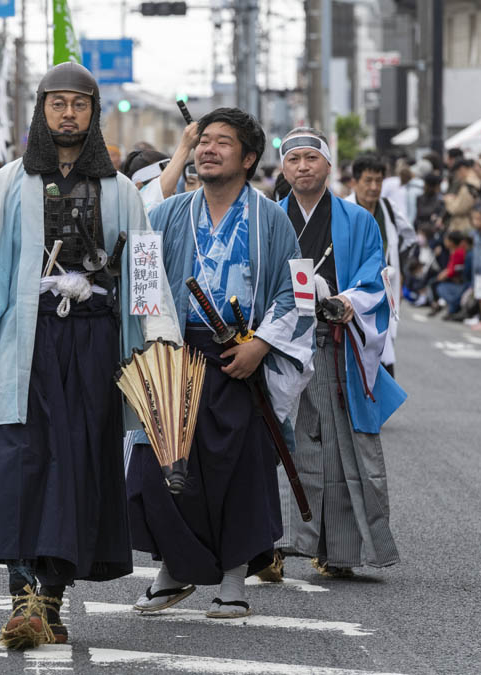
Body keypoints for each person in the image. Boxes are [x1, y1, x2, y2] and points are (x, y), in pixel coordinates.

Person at [0, 62, 181, 648]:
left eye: (78, 104)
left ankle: (52, 599)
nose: (67, 113)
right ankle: (21, 597)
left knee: (83, 465)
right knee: (24, 461)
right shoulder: (8, 181)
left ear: (93, 113)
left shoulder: (120, 190)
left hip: (95, 344)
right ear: (41, 110)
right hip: (26, 343)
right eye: (57, 103)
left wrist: (161, 356)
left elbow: (146, 280)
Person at [126, 108, 313, 618]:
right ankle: (173, 571)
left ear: (249, 158)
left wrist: (261, 346)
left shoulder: (272, 219)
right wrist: (152, 345)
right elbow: (141, 284)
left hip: (241, 356)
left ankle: (233, 580)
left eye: (222, 143)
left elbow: (297, 295)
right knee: (157, 468)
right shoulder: (166, 214)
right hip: (173, 354)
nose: (207, 150)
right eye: (202, 141)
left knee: (238, 470)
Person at [275, 127, 407, 578]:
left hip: (334, 344)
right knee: (287, 446)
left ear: (329, 166)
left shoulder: (358, 221)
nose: (303, 166)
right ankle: (272, 546)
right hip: (281, 348)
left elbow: (374, 279)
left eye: (312, 158)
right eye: (294, 160)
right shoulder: (271, 217)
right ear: (282, 168)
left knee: (342, 448)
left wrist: (347, 301)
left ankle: (342, 553)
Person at [345, 154, 416, 374]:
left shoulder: (388, 208)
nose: (374, 187)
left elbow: (409, 237)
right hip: (351, 291)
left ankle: (379, 401)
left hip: (384, 290)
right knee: (353, 352)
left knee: (384, 349)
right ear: (354, 182)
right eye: (368, 180)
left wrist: (398, 267)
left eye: (378, 180)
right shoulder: (343, 209)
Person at [432, 231, 471, 317]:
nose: (445, 242)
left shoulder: (459, 252)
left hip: (460, 282)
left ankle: (451, 307)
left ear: (452, 242)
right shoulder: (452, 251)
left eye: (446, 240)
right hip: (454, 278)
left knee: (439, 286)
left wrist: (445, 275)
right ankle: (442, 306)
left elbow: (454, 270)